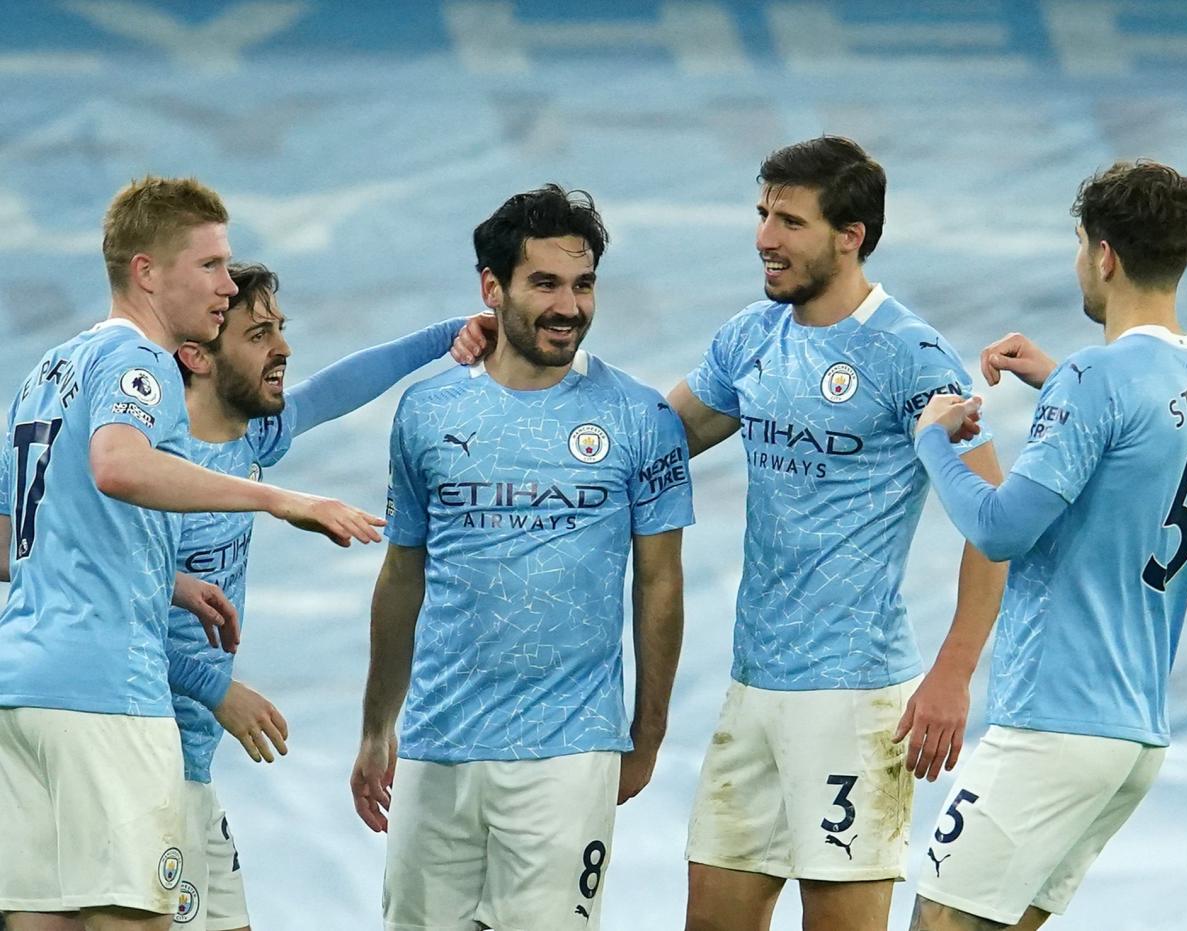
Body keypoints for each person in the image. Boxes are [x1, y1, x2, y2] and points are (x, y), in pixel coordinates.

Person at [0, 176, 381, 931]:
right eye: (210, 265)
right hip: (109, 693)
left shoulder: (46, 371)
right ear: (147, 271)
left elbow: (17, 535)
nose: (227, 283)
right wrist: (284, 499)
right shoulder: (141, 366)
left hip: (24, 693)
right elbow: (119, 463)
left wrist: (163, 577)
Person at [667, 136, 1006, 931]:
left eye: (789, 221)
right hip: (753, 689)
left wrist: (953, 674)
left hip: (854, 699)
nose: (764, 238)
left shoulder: (912, 356)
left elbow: (994, 524)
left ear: (850, 234)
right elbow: (651, 439)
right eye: (762, 214)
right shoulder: (753, 336)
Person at [350, 184, 694, 930]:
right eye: (544, 284)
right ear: (492, 287)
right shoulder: (427, 411)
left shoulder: (640, 417)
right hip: (437, 747)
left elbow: (660, 583)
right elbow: (401, 577)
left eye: (582, 284)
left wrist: (648, 733)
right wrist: (378, 725)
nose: (568, 306)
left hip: (567, 754)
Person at [907, 161, 1187, 929]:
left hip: (1054, 720)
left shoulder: (1098, 377)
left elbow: (1000, 529)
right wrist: (1058, 382)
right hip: (1133, 734)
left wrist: (933, 443)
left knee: (941, 919)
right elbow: (1142, 454)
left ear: (1105, 255)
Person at [159, 261, 479, 930]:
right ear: (198, 355)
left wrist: (451, 335)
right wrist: (214, 687)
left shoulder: (252, 435)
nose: (283, 347)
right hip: (131, 751)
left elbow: (340, 386)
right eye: (257, 334)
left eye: (280, 328)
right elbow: (106, 609)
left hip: (188, 767)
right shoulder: (149, 465)